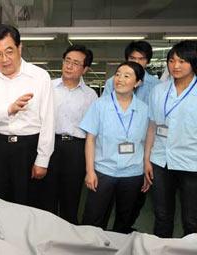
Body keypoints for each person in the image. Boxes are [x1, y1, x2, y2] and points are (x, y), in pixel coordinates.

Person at [0, 24, 54, 206]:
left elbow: (48, 121)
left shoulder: (40, 77)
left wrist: (43, 159)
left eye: (9, 51)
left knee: (28, 201)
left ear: (19, 47)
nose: (4, 59)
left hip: (28, 148)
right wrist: (8, 109)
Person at [80, 61, 149, 233]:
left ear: (138, 82)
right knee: (93, 218)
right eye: (118, 74)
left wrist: (147, 166)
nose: (120, 79)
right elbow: (90, 139)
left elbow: (148, 141)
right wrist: (90, 171)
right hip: (104, 171)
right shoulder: (100, 105)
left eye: (127, 76)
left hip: (133, 173)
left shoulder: (144, 109)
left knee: (125, 219)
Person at [33, 45, 98, 224]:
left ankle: (68, 240)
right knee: (46, 195)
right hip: (50, 145)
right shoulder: (48, 87)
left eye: (76, 63)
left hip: (76, 149)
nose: (69, 66)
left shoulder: (91, 95)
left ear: (85, 69)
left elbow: (93, 131)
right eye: (67, 61)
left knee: (71, 197)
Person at [144, 40, 197, 238]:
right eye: (172, 60)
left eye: (182, 61)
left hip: (192, 163)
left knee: (192, 219)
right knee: (162, 215)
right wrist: (146, 159)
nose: (175, 66)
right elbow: (152, 126)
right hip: (161, 160)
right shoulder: (159, 90)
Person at [102, 41, 160, 105]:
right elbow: (103, 106)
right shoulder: (112, 82)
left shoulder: (156, 85)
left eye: (141, 59)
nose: (136, 62)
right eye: (132, 58)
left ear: (148, 61)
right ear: (127, 59)